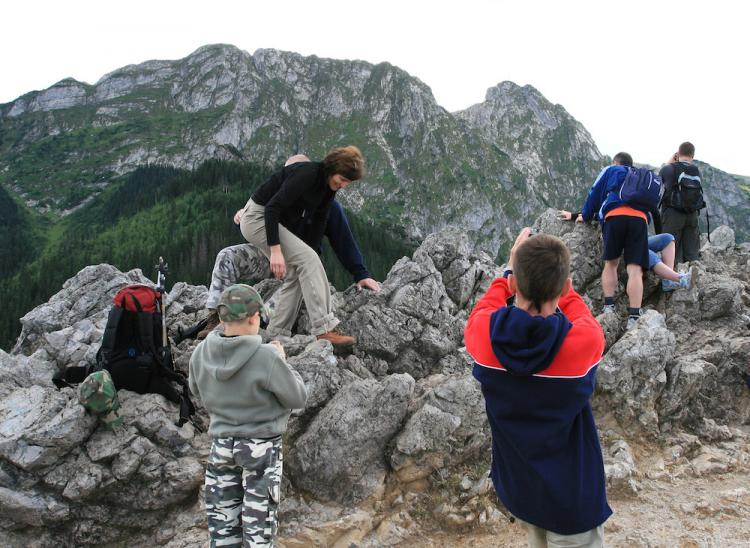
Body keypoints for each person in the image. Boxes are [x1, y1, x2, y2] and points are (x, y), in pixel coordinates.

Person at [465, 228, 610, 547]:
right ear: (565, 287)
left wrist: (507, 273)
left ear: (515, 284)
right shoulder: (583, 345)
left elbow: (483, 310)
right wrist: (565, 290)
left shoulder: (485, 339)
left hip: (522, 491)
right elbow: (585, 320)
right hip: (572, 499)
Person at [189, 284, 307, 546]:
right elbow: (297, 397)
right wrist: (282, 360)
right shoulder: (266, 357)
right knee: (259, 528)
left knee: (222, 527)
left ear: (221, 318)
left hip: (221, 446)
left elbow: (195, 389)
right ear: (255, 317)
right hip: (261, 448)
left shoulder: (200, 353)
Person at [234, 146, 366, 346]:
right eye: (343, 179)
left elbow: (319, 225)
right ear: (333, 169)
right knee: (307, 260)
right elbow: (272, 207)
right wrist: (276, 251)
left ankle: (276, 334)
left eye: (348, 182)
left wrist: (309, 258)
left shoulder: (327, 190)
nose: (344, 185)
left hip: (267, 220)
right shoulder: (308, 173)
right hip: (256, 218)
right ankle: (324, 329)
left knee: (299, 268)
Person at [578, 152, 660, 329]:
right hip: (639, 219)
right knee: (635, 268)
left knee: (612, 263)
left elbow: (595, 192)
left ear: (616, 161)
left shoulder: (611, 170)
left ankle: (608, 307)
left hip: (615, 216)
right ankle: (634, 317)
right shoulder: (640, 178)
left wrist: (584, 216)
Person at [557, 211, 694, 292]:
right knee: (646, 252)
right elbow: (597, 211)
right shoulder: (614, 201)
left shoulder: (636, 200)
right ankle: (679, 279)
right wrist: (574, 215)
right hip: (624, 245)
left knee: (668, 238)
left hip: (640, 238)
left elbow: (653, 214)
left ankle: (667, 281)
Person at [659, 142, 703, 264]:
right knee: (692, 254)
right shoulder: (697, 172)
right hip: (692, 215)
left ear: (678, 153)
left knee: (671, 252)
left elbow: (658, 178)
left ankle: (673, 280)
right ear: (692, 156)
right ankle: (693, 278)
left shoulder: (669, 168)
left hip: (673, 214)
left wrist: (670, 162)